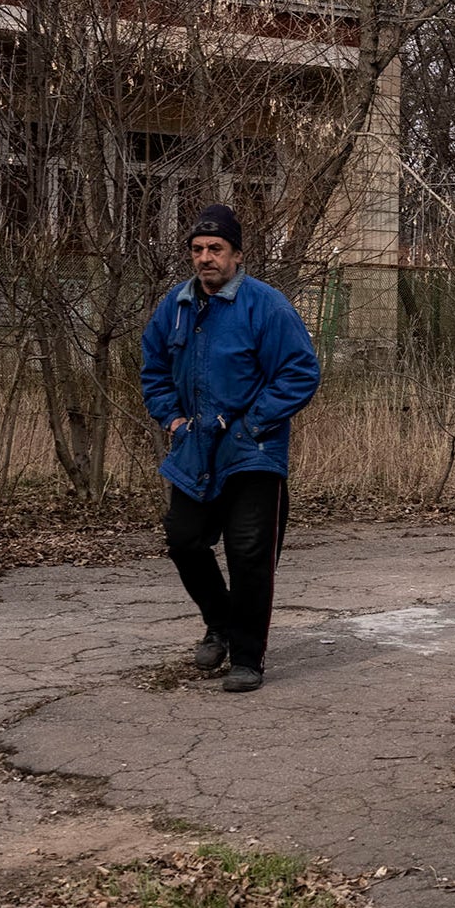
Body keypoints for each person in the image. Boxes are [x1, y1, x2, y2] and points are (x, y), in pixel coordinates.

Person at [139, 204, 321, 692]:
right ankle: (220, 621)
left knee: (249, 551)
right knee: (184, 538)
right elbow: (154, 370)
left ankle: (247, 658)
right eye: (197, 249)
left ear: (237, 255)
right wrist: (172, 419)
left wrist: (252, 423)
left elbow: (300, 373)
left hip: (253, 452)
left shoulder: (266, 305)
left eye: (216, 249)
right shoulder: (173, 307)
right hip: (194, 447)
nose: (205, 258)